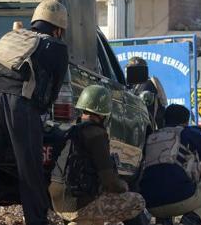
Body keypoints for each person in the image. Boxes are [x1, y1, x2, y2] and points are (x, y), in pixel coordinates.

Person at [0, 0, 69, 225]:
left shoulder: (11, 37)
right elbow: (51, 92)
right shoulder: (56, 45)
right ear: (59, 30)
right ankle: (36, 220)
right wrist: (40, 113)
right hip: (20, 103)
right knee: (29, 168)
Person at [49, 85, 145, 225]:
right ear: (103, 114)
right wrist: (123, 186)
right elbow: (109, 181)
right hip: (77, 205)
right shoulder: (96, 134)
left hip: (57, 203)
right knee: (137, 201)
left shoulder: (71, 130)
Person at [140, 105, 201, 225]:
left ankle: (164, 220)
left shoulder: (151, 137)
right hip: (179, 199)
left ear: (164, 121)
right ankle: (191, 220)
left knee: (165, 177)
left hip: (150, 204)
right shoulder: (190, 133)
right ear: (186, 121)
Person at [126, 56, 167, 129]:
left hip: (149, 128)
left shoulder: (146, 85)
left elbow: (142, 111)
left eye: (130, 69)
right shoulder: (137, 85)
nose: (127, 72)